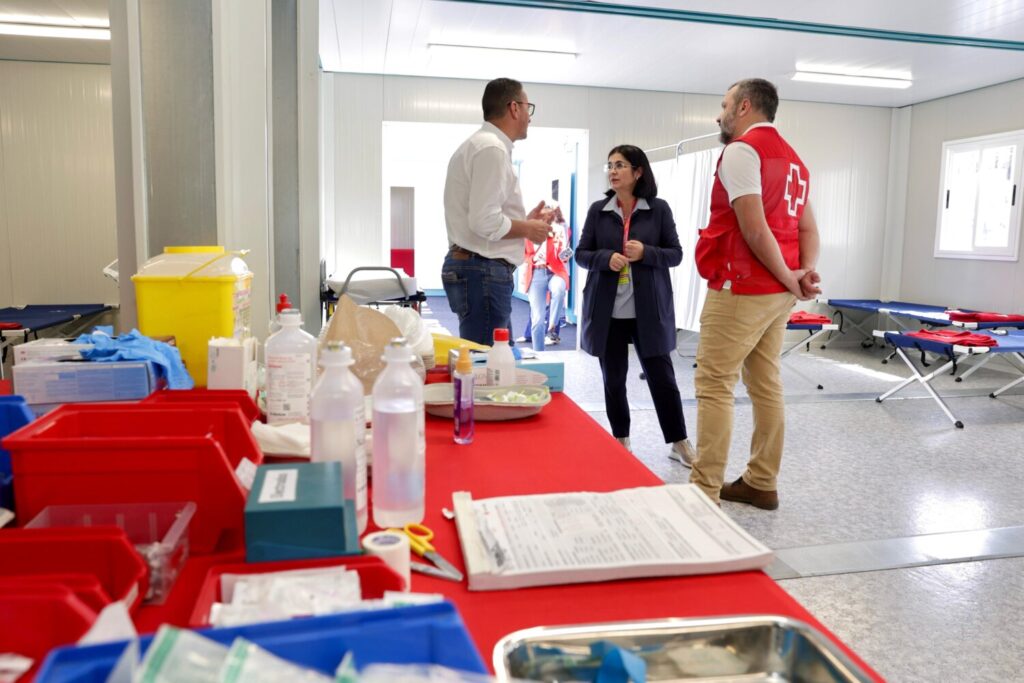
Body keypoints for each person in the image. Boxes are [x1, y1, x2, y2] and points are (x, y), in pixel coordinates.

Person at [690, 78, 821, 510]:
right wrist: (803, 274)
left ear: (744, 107)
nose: (719, 114)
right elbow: (806, 229)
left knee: (714, 384)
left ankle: (703, 492)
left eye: (724, 104)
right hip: (775, 293)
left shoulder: (742, 151)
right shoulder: (796, 162)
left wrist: (790, 277)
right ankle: (762, 481)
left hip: (743, 287)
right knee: (765, 383)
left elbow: (753, 228)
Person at [576, 145, 695, 462]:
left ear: (638, 171)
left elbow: (676, 254)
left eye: (620, 165)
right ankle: (621, 441)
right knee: (613, 380)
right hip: (608, 313)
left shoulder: (658, 210)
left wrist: (646, 253)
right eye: (610, 165)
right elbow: (581, 255)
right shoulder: (598, 211)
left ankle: (679, 442)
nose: (613, 171)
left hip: (648, 312)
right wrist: (605, 258)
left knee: (663, 380)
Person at [441, 77, 553, 346]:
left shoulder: (482, 145)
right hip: (483, 271)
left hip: (478, 267)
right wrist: (527, 229)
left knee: (496, 361)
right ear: (514, 108)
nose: (530, 117)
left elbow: (483, 217)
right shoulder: (491, 148)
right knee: (489, 370)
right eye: (528, 108)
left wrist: (523, 223)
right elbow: (484, 220)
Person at [523, 206, 571, 351]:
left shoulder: (558, 230)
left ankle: (553, 322)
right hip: (536, 273)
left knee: (559, 290)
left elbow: (564, 254)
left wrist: (566, 254)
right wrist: (533, 258)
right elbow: (523, 254)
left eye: (550, 217)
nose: (547, 219)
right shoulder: (528, 231)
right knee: (537, 320)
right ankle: (539, 354)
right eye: (543, 217)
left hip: (555, 271)